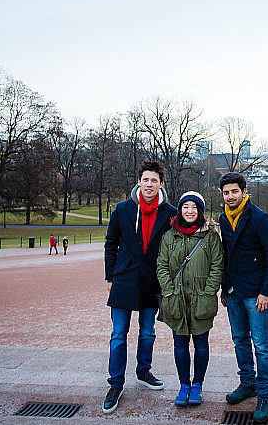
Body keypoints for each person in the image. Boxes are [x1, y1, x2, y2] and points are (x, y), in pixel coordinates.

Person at [102, 161, 176, 414]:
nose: (149, 185)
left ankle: (143, 371)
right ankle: (116, 383)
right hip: (124, 279)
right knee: (118, 335)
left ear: (160, 184)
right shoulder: (123, 209)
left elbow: (184, 234)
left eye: (154, 180)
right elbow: (111, 243)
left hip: (151, 280)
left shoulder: (169, 213)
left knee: (147, 333)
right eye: (146, 180)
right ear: (139, 182)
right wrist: (110, 275)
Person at [218, 172, 268, 424]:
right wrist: (225, 287)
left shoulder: (260, 218)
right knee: (239, 341)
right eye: (226, 192)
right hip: (233, 291)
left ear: (244, 192)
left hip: (256, 294)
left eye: (234, 191)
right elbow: (225, 255)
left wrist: (266, 292)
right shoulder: (224, 218)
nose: (230, 196)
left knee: (262, 346)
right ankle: (247, 383)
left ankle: (265, 395)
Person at [157, 191, 224, 407]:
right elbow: (162, 266)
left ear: (200, 210)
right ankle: (184, 384)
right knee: (180, 344)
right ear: (180, 209)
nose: (190, 211)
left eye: (194, 207)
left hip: (201, 298)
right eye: (186, 207)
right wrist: (169, 291)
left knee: (202, 344)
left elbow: (217, 266)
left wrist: (208, 291)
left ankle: (197, 384)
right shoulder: (169, 236)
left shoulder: (210, 236)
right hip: (176, 298)